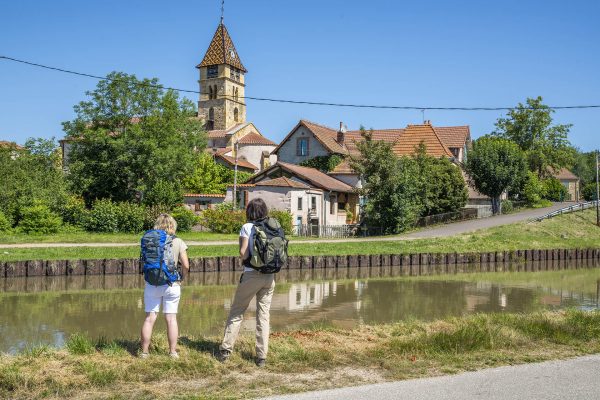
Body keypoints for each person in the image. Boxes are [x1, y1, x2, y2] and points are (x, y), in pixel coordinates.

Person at [218, 198, 275, 367]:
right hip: (270, 276)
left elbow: (243, 253)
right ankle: (261, 357)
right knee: (263, 316)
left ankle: (226, 350)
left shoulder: (247, 227)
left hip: (251, 275)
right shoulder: (272, 226)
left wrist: (242, 255)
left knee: (237, 311)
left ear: (249, 211)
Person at [140, 214, 189, 359]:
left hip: (152, 283)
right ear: (172, 225)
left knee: (149, 318)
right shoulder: (178, 241)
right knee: (171, 319)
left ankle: (144, 352)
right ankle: (172, 352)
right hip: (172, 284)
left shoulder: (150, 241)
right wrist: (182, 279)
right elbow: (186, 265)